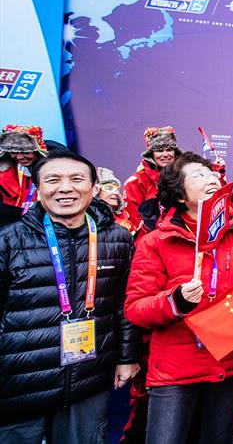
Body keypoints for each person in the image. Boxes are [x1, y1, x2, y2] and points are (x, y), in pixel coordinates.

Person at [124, 152, 233, 444]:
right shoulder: (155, 242)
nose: (210, 178)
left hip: (232, 362)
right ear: (180, 196)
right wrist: (176, 301)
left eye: (211, 174)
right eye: (197, 175)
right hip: (175, 369)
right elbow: (135, 308)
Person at [0, 150, 141, 443]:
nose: (65, 188)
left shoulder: (117, 238)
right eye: (53, 180)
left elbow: (123, 305)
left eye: (76, 179)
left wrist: (127, 357)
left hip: (88, 377)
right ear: (38, 191)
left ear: (93, 188)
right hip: (20, 381)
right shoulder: (9, 240)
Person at [123, 126, 182, 237]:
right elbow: (133, 219)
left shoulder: (184, 176)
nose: (165, 154)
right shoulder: (137, 181)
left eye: (169, 149)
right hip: (149, 241)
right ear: (151, 154)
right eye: (160, 150)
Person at [0, 124, 48, 226]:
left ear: (38, 151)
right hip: (10, 227)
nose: (20, 157)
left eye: (26, 152)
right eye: (14, 152)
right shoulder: (3, 174)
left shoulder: (53, 174)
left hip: (44, 225)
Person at [95, 166, 135, 234]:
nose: (116, 193)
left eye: (117, 189)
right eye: (109, 188)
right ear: (95, 191)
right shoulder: (83, 219)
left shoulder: (126, 221)